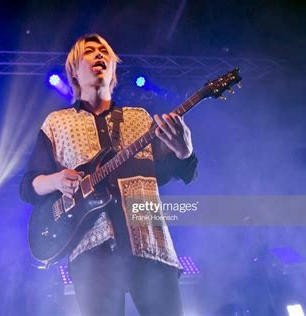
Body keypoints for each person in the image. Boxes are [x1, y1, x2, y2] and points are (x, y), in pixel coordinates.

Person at [20, 33, 198, 316]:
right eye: (90, 51)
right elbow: (29, 186)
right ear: (74, 72)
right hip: (91, 249)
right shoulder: (57, 123)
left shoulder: (140, 117)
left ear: (114, 68)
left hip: (149, 241)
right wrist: (56, 180)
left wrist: (183, 153)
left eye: (105, 51)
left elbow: (161, 174)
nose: (99, 54)